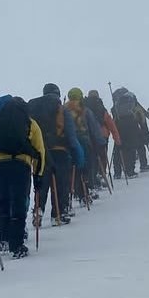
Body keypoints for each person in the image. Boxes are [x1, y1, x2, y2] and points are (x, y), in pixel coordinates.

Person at [0, 97, 45, 257]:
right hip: (21, 165)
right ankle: (17, 244)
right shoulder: (30, 122)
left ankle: (4, 238)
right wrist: (38, 175)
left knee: (3, 201)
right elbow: (40, 151)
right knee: (18, 202)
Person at [29, 83, 84, 225]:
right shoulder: (62, 109)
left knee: (42, 182)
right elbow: (71, 136)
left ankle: (38, 211)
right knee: (60, 183)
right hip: (60, 150)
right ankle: (59, 214)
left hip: (40, 151)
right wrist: (78, 157)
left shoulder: (34, 108)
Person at [66, 88, 105, 198]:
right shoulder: (84, 109)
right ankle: (90, 187)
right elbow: (94, 127)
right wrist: (100, 142)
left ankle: (78, 192)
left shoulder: (63, 109)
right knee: (88, 164)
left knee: (74, 167)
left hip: (68, 142)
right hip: (84, 140)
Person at [85, 89, 120, 183]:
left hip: (88, 136)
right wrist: (117, 139)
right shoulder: (101, 108)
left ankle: (93, 177)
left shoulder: (84, 107)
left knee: (92, 158)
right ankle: (102, 175)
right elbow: (110, 123)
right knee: (102, 156)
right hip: (102, 135)